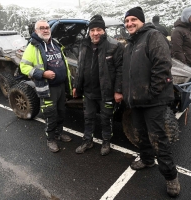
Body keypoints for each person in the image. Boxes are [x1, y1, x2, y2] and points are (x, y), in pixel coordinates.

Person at [122, 7, 180, 197]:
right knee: (140, 134)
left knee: (159, 139)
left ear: (141, 21)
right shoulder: (130, 44)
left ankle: (171, 177)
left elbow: (163, 64)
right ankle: (147, 160)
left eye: (133, 20)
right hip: (136, 101)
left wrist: (152, 92)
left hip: (153, 101)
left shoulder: (153, 36)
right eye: (127, 21)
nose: (129, 23)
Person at [73, 15, 123, 156]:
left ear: (104, 30)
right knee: (88, 117)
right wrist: (77, 85)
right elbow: (80, 67)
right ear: (89, 32)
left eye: (99, 29)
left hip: (106, 92)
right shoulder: (84, 45)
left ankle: (106, 141)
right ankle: (87, 140)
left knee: (106, 118)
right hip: (88, 92)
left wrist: (118, 90)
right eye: (92, 30)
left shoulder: (114, 46)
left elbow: (121, 70)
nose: (95, 33)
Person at [20, 20, 72, 153]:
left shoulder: (55, 44)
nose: (45, 30)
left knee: (61, 112)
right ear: (36, 31)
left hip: (60, 86)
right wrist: (42, 74)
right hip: (48, 88)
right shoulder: (33, 47)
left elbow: (63, 63)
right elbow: (24, 67)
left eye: (47, 27)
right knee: (50, 114)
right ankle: (50, 139)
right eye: (41, 28)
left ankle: (59, 133)